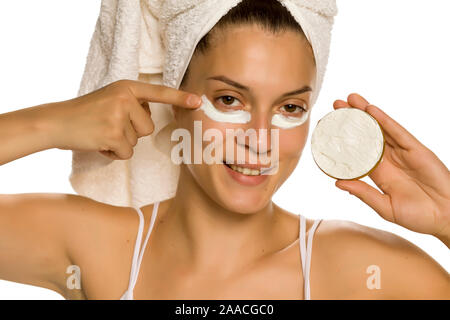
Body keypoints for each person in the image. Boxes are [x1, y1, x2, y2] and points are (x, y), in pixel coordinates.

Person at [0, 0, 449, 300]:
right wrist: (48, 123)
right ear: (173, 100)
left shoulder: (356, 268)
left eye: (289, 107)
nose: (259, 137)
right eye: (229, 100)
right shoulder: (97, 248)